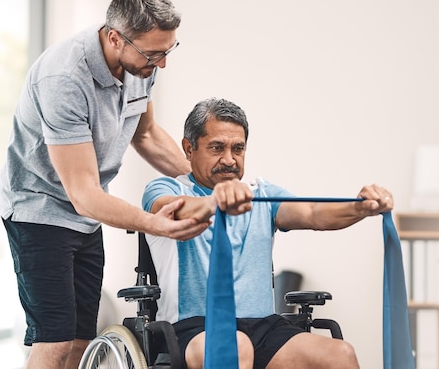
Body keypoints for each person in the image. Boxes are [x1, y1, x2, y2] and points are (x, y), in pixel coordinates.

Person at [0, 0, 210, 369]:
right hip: (39, 211)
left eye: (168, 50)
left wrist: (206, 180)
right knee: (56, 340)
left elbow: (145, 135)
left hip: (86, 216)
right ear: (115, 38)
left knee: (83, 338)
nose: (161, 64)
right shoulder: (63, 78)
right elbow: (82, 193)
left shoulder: (141, 65)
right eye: (153, 53)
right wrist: (154, 224)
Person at [142, 97, 394, 369]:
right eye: (217, 148)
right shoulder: (166, 189)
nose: (229, 159)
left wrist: (361, 207)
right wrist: (214, 201)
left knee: (340, 354)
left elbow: (312, 213)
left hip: (263, 328)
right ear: (189, 149)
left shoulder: (261, 193)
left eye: (238, 149)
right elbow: (172, 211)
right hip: (195, 327)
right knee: (235, 348)